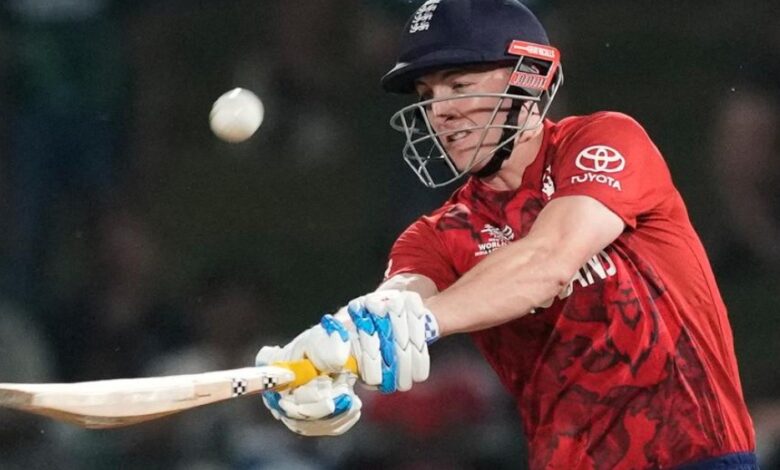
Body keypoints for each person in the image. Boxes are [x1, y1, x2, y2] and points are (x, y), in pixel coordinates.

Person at [255, 1, 757, 468]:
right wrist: (332, 350)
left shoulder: (605, 141)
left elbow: (547, 262)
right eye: (427, 96)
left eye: (458, 85)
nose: (439, 112)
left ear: (528, 79)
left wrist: (420, 321)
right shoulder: (435, 234)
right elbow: (398, 298)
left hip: (698, 458)